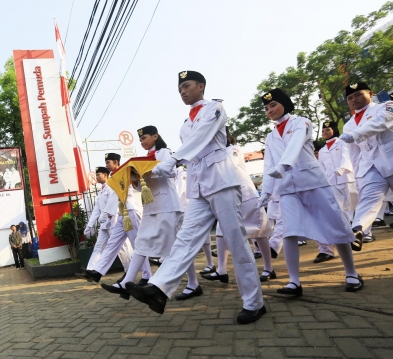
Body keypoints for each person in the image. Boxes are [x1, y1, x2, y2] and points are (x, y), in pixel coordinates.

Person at [126, 71, 265, 324]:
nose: (183, 91)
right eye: (180, 88)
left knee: (236, 242)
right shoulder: (184, 125)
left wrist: (174, 159)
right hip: (198, 186)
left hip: (221, 181)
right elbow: (190, 150)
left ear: (201, 86)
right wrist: (171, 163)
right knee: (185, 239)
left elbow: (201, 139)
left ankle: (254, 302)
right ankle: (158, 289)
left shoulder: (215, 108)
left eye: (187, 86)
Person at [259, 88, 363, 296]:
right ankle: (294, 282)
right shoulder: (270, 136)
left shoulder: (301, 122)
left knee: (336, 224)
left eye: (273, 105)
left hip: (312, 182)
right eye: (266, 107)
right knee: (288, 232)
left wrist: (284, 165)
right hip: (287, 188)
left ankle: (351, 273)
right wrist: (266, 193)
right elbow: (269, 165)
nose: (269, 110)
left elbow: (295, 145)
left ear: (284, 104)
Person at [101, 126, 183, 300]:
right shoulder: (144, 159)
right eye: (140, 140)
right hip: (151, 206)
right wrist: (134, 178)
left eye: (144, 138)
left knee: (173, 247)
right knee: (142, 243)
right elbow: (140, 188)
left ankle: (188, 284)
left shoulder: (164, 153)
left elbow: (170, 172)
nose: (142, 142)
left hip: (167, 204)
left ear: (155, 136)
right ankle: (126, 283)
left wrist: (148, 168)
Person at [202, 131, 275, 284]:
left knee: (259, 232)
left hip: (247, 196)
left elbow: (228, 165)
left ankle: (269, 268)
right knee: (222, 231)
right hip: (228, 198)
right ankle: (221, 270)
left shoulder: (233, 149)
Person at [339, 82, 393, 250]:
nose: (354, 99)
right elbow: (354, 154)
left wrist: (355, 134)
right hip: (369, 165)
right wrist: (358, 176)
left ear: (371, 93)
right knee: (369, 198)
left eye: (358, 95)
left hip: (390, 157)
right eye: (350, 98)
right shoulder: (348, 125)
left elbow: (380, 123)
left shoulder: (387, 106)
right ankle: (358, 230)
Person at [82, 153, 149, 283]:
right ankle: (97, 272)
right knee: (112, 245)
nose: (106, 165)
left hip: (130, 212)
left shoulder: (123, 172)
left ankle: (146, 276)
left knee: (137, 246)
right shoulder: (114, 176)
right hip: (121, 215)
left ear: (116, 162)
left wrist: (106, 213)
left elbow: (116, 195)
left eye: (108, 162)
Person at [316, 121, 359, 263]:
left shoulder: (341, 143)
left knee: (356, 206)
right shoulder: (322, 151)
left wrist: (342, 168)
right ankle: (350, 236)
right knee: (340, 211)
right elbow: (322, 168)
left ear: (334, 130)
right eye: (323, 131)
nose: (325, 132)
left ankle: (364, 233)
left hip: (346, 178)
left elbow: (347, 157)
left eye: (328, 129)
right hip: (332, 182)